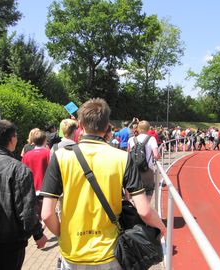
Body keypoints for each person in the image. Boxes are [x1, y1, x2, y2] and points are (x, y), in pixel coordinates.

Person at [41, 98, 166, 270]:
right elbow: (144, 210)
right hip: (110, 253)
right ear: (107, 126)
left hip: (72, 253)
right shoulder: (122, 158)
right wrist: (161, 227)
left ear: (80, 124)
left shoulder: (61, 157)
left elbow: (47, 214)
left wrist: (64, 236)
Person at [0, 120, 47, 270]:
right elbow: (26, 210)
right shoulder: (18, 169)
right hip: (9, 243)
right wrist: (38, 235)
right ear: (12, 139)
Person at [128, 120, 160, 202]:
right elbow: (156, 155)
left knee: (136, 192)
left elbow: (128, 154)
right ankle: (146, 208)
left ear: (138, 129)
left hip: (134, 171)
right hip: (147, 169)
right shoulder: (151, 139)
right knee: (149, 190)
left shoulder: (131, 139)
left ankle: (138, 209)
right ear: (148, 129)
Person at [22, 130, 50, 222]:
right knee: (46, 212)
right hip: (45, 187)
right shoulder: (48, 153)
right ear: (45, 140)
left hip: (32, 187)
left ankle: (38, 228)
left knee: (36, 211)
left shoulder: (27, 155)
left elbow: (23, 170)